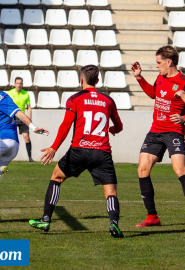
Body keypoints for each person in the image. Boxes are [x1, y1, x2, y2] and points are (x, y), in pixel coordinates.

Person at [28, 65, 125, 238]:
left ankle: (45, 219)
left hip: (79, 150)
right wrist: (113, 129)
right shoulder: (108, 100)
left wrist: (54, 147)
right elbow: (119, 126)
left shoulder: (74, 98)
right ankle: (114, 224)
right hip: (102, 152)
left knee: (56, 177)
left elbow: (66, 125)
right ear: (98, 80)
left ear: (82, 80)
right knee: (111, 192)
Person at [0, 71, 48, 223]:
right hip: (7, 145)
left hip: (6, 142)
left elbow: (18, 113)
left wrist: (33, 127)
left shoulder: (2, 97)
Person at [131, 45, 185, 227]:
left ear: (169, 62)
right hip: (155, 131)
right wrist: (139, 77)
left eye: (159, 63)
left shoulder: (184, 82)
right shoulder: (161, 77)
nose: (157, 66)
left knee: (180, 170)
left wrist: (183, 118)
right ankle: (152, 216)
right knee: (142, 169)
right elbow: (153, 94)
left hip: (174, 132)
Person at [7, 77, 35, 162]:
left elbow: (29, 107)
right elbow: (7, 106)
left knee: (26, 137)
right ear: (15, 84)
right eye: (17, 83)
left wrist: (29, 118)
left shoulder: (25, 94)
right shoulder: (9, 93)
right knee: (10, 138)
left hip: (23, 118)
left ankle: (30, 158)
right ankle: (7, 157)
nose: (19, 85)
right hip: (12, 118)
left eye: (20, 83)